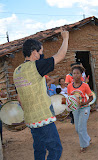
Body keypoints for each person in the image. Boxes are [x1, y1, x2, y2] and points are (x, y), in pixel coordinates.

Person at [13, 28, 69, 160]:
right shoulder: (36, 66)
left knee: (39, 149)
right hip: (43, 118)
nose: (42, 55)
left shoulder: (17, 71)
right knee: (55, 149)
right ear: (34, 53)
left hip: (31, 119)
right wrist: (65, 38)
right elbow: (60, 56)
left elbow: (19, 98)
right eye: (41, 52)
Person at [67, 65, 93, 153]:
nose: (76, 75)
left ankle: (83, 145)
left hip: (85, 108)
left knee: (81, 128)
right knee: (77, 129)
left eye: (78, 73)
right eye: (74, 73)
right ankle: (87, 139)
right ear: (72, 75)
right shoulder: (70, 86)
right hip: (75, 109)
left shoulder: (85, 85)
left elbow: (91, 98)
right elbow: (69, 99)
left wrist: (83, 103)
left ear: (81, 74)